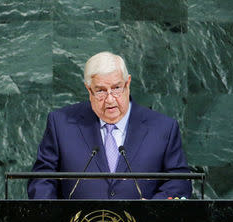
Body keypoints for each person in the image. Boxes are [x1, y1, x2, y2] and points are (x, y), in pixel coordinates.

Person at [27, 51, 192, 199]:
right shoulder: (61, 124)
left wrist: (149, 211)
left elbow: (179, 182)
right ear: (88, 90)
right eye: (100, 91)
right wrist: (53, 217)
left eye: (116, 88)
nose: (110, 99)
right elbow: (42, 179)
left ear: (128, 84)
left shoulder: (163, 128)